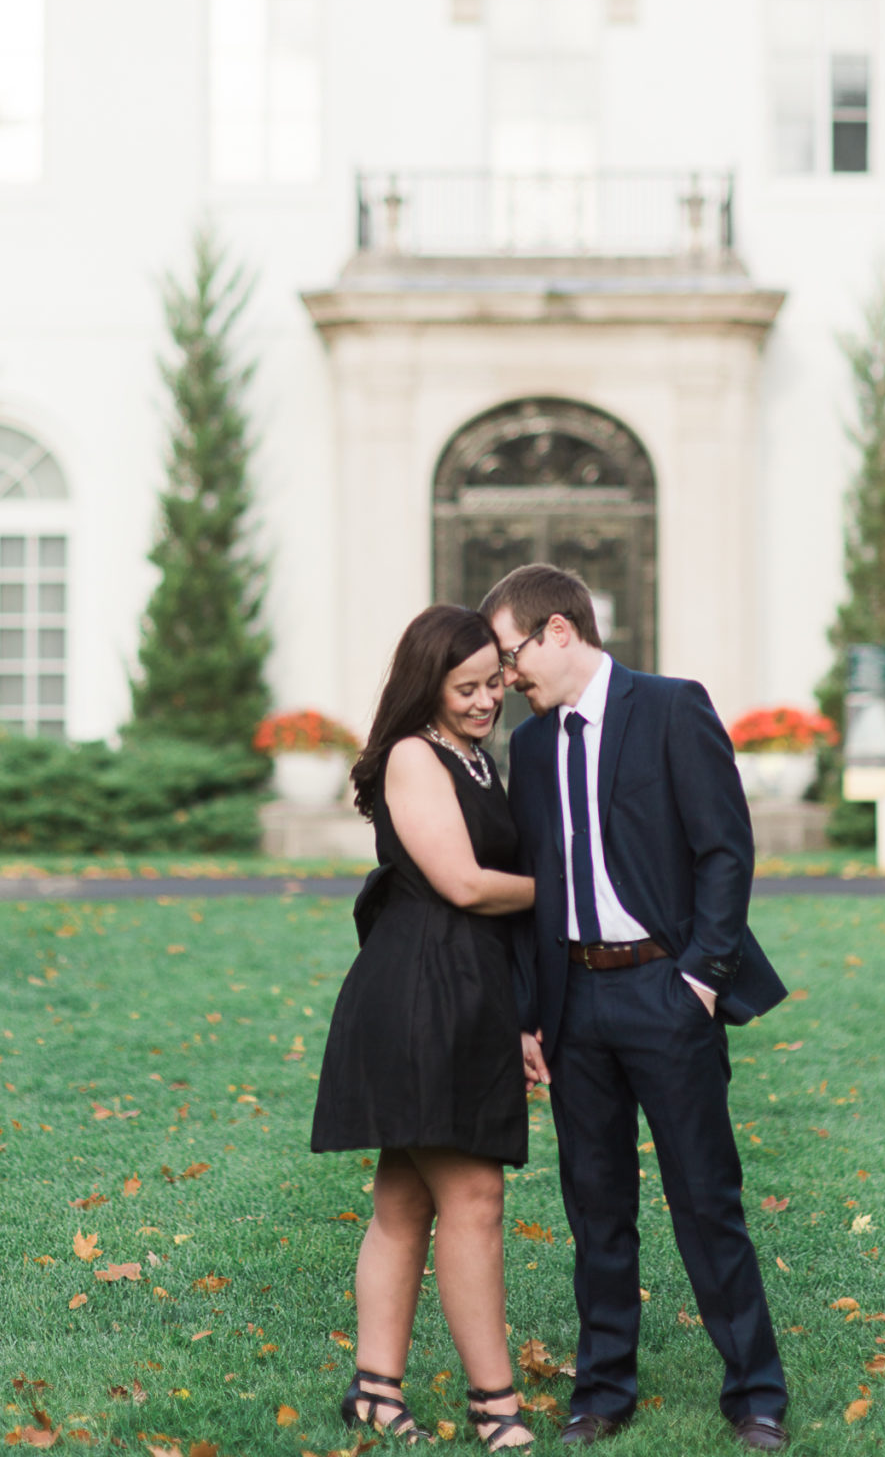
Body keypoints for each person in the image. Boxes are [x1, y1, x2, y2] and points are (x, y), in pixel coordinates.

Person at [480, 564, 792, 1451]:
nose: (507, 680)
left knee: (705, 1196)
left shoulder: (670, 707)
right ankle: (603, 1390)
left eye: (510, 657)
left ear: (560, 633)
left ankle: (756, 1391)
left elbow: (726, 851)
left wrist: (700, 975)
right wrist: (531, 1013)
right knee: (596, 1203)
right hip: (575, 1002)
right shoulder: (531, 750)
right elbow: (538, 887)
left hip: (667, 991)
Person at [311, 604, 540, 1450]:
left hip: (464, 988)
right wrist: (570, 896)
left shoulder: (472, 757)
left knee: (405, 1198)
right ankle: (495, 1405)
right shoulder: (415, 755)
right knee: (474, 1197)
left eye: (494, 683)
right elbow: (467, 884)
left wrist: (519, 1015)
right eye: (467, 687)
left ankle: (375, 1391)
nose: (486, 700)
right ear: (428, 686)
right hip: (420, 993)